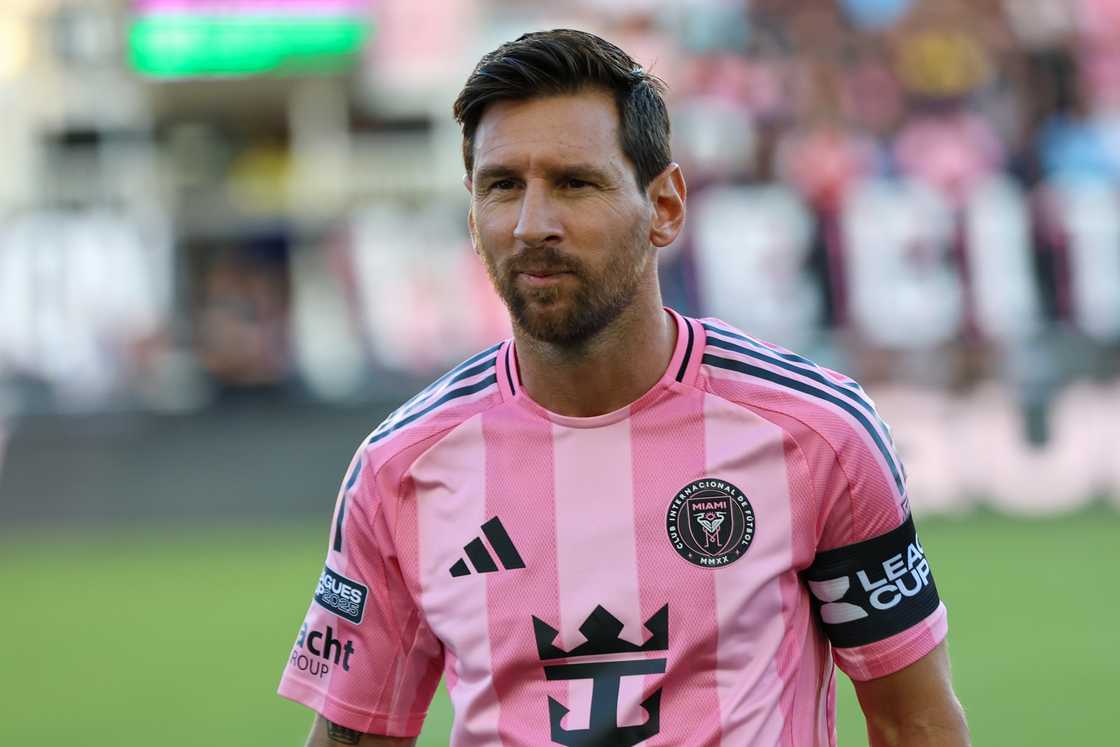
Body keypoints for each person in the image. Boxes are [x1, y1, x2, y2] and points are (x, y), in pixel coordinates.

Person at [278, 29, 970, 747]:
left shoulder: (817, 435)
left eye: (575, 183)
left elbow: (913, 720)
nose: (531, 224)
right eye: (502, 185)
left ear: (665, 206)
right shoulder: (400, 469)